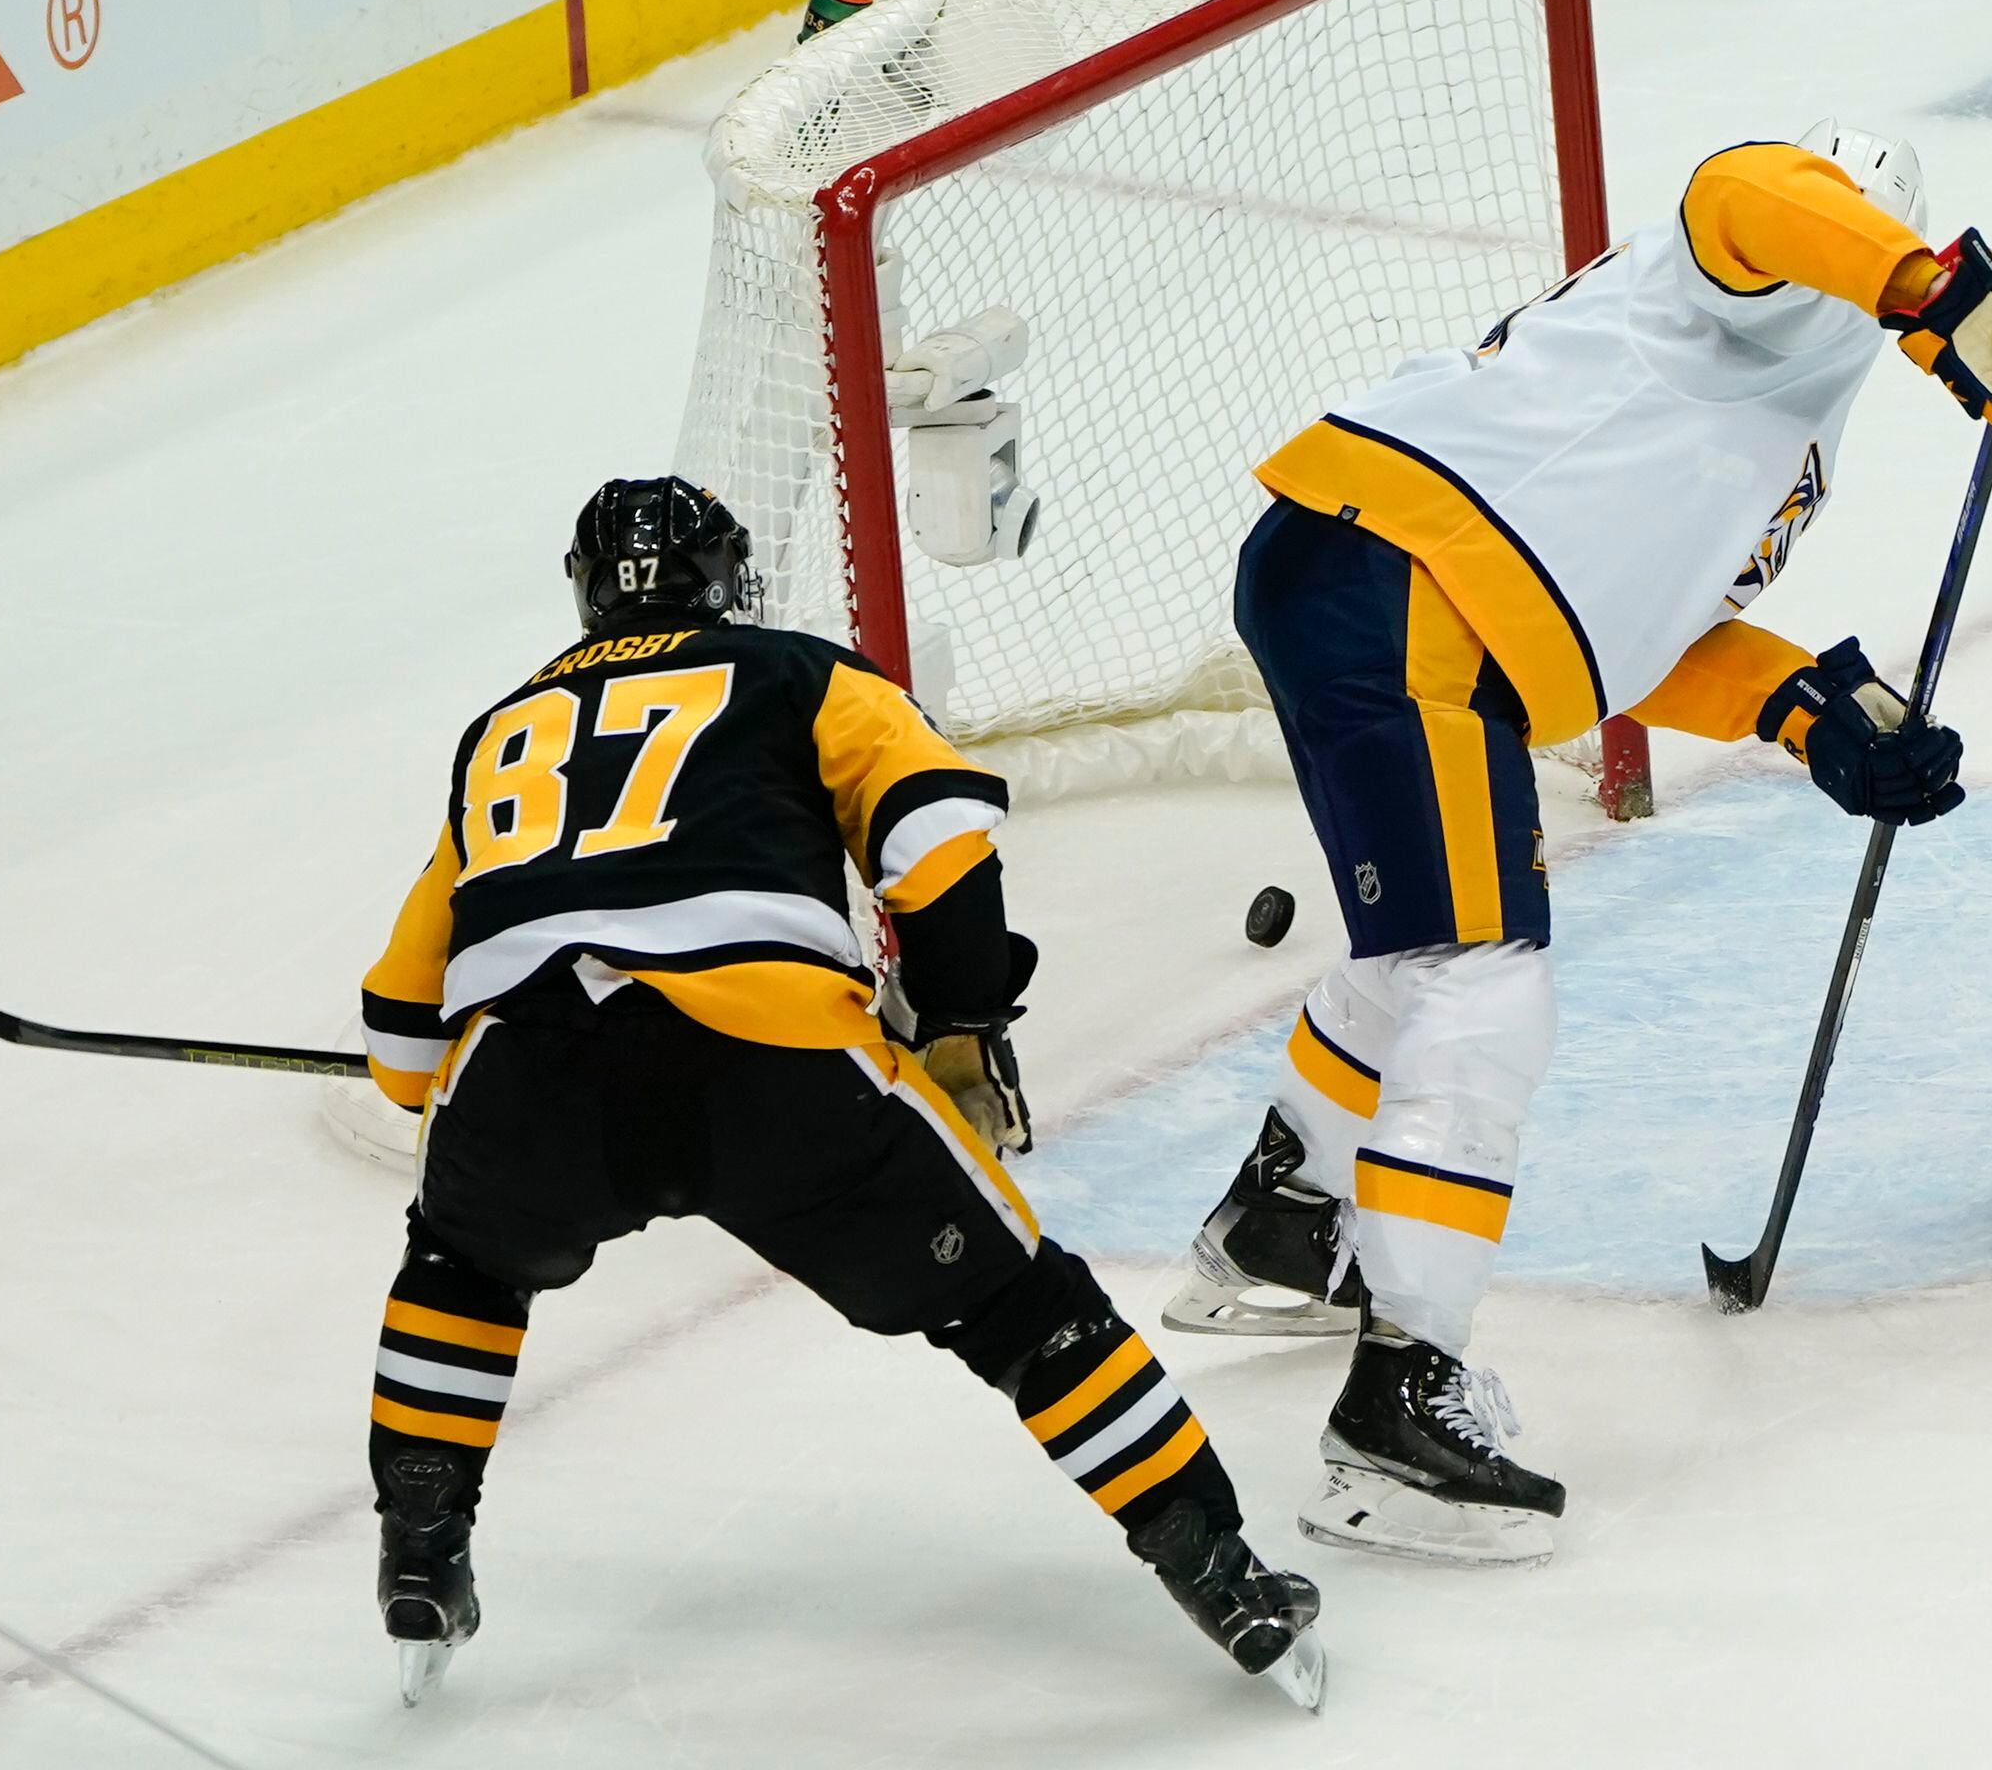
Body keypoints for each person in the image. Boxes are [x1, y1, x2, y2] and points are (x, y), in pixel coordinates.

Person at [1162, 126, 1992, 1566]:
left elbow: (1626, 621)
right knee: (1482, 979)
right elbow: (1745, 190)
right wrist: (1932, 288)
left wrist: (1812, 712)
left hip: (1403, 590)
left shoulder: (1775, 412)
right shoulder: (1739, 273)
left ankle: (1285, 1220)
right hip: (1404, 582)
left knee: (1423, 958)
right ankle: (1398, 1409)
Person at [354, 477, 1324, 1709]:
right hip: (773, 1056)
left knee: (459, 1264)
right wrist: (965, 1018)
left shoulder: (498, 731)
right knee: (1023, 1307)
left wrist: (480, 1082)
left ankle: (422, 1547)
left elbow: (398, 1049)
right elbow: (940, 848)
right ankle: (1218, 1568)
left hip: (529, 1074)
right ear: (726, 577)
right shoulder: (801, 671)